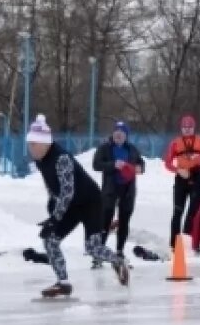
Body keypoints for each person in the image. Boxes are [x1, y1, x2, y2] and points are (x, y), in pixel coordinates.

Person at [27, 115, 130, 298]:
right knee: (50, 240)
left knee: (92, 247)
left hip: (90, 202)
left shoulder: (61, 158)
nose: (30, 148)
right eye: (29, 143)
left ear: (44, 143)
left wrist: (55, 219)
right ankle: (63, 282)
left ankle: (118, 261)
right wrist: (52, 209)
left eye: (34, 144)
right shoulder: (40, 159)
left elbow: (67, 192)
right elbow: (53, 186)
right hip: (71, 205)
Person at [92, 120, 146, 257]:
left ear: (126, 135)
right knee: (105, 219)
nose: (118, 134)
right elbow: (96, 164)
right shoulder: (105, 148)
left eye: (122, 132)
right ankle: (100, 250)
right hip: (110, 188)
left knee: (124, 220)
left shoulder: (132, 149)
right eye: (116, 131)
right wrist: (113, 164)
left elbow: (141, 162)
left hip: (128, 189)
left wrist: (140, 168)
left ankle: (120, 250)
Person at [164, 114, 200, 253]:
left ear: (194, 128)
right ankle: (174, 243)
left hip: (196, 177)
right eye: (185, 127)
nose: (187, 130)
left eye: (189, 127)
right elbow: (167, 163)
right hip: (181, 177)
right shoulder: (175, 143)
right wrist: (178, 170)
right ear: (181, 128)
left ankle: (190, 240)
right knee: (177, 211)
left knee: (194, 211)